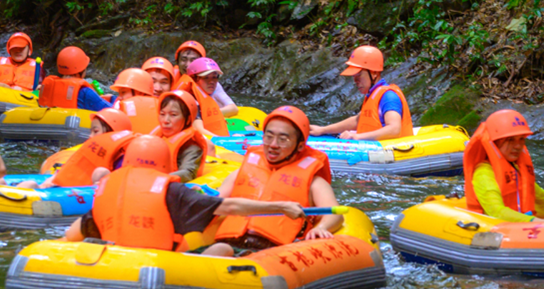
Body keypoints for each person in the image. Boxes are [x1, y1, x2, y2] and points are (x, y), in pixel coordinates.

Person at [64, 134, 306, 256]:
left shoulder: (109, 187)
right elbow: (231, 207)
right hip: (155, 267)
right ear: (165, 165)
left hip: (108, 259)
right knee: (224, 251)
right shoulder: (173, 190)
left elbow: (71, 233)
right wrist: (282, 207)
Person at [214, 106, 342, 252]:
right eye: (269, 137)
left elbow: (334, 215)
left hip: (275, 250)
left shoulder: (315, 182)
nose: (273, 145)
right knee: (219, 249)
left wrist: (321, 228)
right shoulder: (242, 172)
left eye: (283, 139)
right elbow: (214, 203)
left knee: (221, 250)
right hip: (231, 241)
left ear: (300, 146)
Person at [310, 45, 413, 141]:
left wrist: (357, 136)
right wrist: (322, 130)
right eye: (354, 77)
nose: (355, 81)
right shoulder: (373, 94)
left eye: (359, 76)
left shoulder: (389, 97)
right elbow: (357, 121)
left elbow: (394, 130)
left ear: (373, 73)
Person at [39, 108, 134, 188]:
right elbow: (69, 169)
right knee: (30, 184)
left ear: (113, 135)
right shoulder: (89, 152)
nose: (90, 136)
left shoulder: (123, 161)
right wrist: (52, 179)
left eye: (95, 131)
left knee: (100, 173)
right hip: (65, 189)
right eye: (91, 131)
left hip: (85, 195)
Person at [151, 90, 211, 182]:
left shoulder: (193, 149)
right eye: (162, 114)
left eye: (173, 115)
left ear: (187, 119)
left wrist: (156, 179)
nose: (166, 120)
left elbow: (188, 173)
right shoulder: (155, 137)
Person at [173, 39, 238, 117]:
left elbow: (233, 108)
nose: (188, 65)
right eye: (183, 60)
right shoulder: (169, 79)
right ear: (177, 61)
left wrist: (205, 116)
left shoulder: (210, 82)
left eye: (193, 60)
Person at [37, 46, 110, 111]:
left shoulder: (47, 86)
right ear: (81, 70)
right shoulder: (85, 93)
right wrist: (113, 98)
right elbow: (110, 110)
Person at [183, 57, 230, 137]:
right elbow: (199, 130)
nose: (211, 81)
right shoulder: (192, 100)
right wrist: (225, 140)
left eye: (214, 77)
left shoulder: (206, 95)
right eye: (206, 77)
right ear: (195, 78)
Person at [110, 68, 158, 133]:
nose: (120, 97)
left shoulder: (162, 111)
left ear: (140, 92)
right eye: (119, 93)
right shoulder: (120, 107)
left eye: (123, 92)